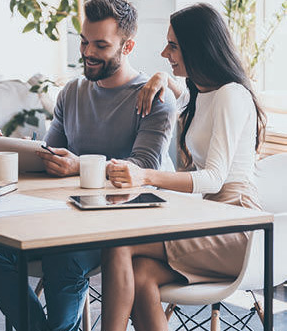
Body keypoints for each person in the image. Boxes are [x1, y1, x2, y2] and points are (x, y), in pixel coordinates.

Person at [0, 1, 176, 330]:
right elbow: (52, 154)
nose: (88, 52)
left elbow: (143, 170)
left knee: (62, 256)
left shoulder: (154, 99)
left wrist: (79, 166)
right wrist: (7, 151)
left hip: (119, 223)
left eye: (101, 45)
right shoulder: (72, 92)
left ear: (129, 46)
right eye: (83, 41)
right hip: (61, 215)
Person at [100, 3, 266, 331]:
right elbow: (183, 97)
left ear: (199, 47)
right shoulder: (204, 92)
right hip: (210, 220)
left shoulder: (232, 95)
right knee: (143, 273)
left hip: (238, 226)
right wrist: (162, 77)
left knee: (118, 241)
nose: (164, 52)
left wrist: (144, 174)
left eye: (173, 46)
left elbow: (214, 179)